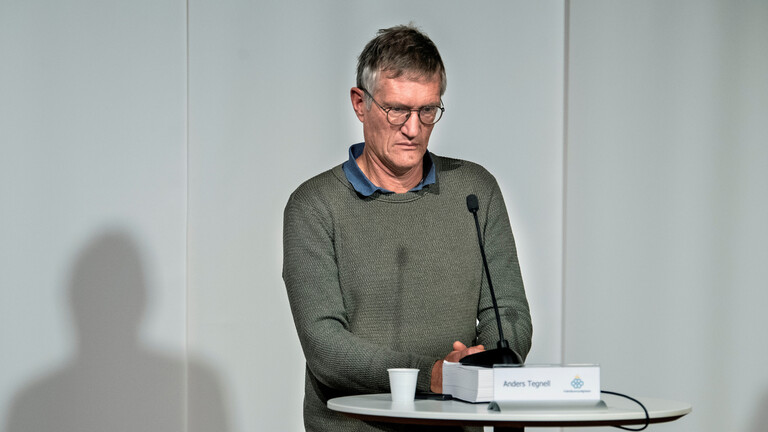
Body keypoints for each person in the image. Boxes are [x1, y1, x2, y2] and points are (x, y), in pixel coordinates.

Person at [283, 24, 532, 432]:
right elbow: (326, 346)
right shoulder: (314, 206)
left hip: (457, 425)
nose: (413, 129)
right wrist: (432, 376)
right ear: (360, 103)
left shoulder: (475, 191)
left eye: (427, 111)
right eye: (397, 110)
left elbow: (508, 313)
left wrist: (482, 363)